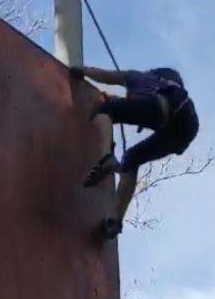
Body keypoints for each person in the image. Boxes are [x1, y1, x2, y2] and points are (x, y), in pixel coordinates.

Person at [69, 65, 200, 240]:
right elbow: (136, 107)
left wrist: (82, 71)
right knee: (132, 158)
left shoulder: (140, 78)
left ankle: (106, 156)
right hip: (185, 130)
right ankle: (114, 220)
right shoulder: (173, 89)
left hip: (162, 109)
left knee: (106, 110)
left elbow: (107, 75)